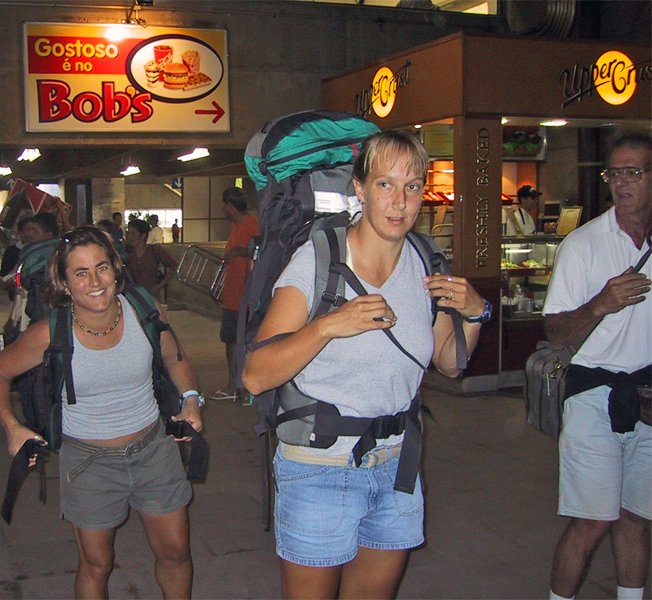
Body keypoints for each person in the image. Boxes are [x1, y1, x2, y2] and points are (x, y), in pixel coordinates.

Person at [243, 130, 488, 600]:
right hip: (319, 465)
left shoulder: (426, 261)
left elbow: (449, 364)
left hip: (397, 462)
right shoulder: (318, 260)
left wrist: (475, 315)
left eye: (412, 186)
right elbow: (256, 373)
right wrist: (329, 325)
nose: (399, 202)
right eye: (384, 184)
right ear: (359, 187)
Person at [0, 225, 202, 599]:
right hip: (88, 462)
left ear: (116, 269)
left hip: (153, 450)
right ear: (65, 283)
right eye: (81, 273)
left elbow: (174, 357)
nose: (95, 281)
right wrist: (11, 426)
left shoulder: (145, 311)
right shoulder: (47, 332)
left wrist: (192, 399)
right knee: (97, 565)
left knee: (176, 552)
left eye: (102, 268)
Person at [544, 132, 651, 600]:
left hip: (647, 400)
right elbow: (556, 334)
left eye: (634, 172)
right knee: (591, 522)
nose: (622, 182)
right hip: (593, 401)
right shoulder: (582, 245)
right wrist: (600, 304)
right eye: (615, 172)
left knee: (637, 520)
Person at [213, 187, 259, 402]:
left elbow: (263, 252)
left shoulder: (252, 224)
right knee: (230, 342)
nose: (222, 208)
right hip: (231, 297)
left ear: (231, 205)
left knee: (249, 344)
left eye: (224, 204)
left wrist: (240, 252)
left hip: (246, 298)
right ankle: (233, 385)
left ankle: (248, 387)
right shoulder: (234, 227)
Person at [124, 219, 176, 299]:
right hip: (133, 295)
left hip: (151, 295)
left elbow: (173, 266)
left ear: (143, 235)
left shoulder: (154, 250)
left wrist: (160, 286)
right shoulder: (128, 252)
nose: (130, 237)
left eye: (133, 233)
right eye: (129, 233)